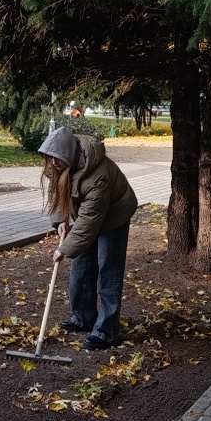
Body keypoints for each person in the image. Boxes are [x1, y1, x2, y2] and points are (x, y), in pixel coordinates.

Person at [38, 127, 138, 350]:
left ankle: (106, 331)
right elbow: (58, 192)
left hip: (114, 215)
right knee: (82, 265)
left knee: (108, 268)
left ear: (68, 153)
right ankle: (84, 317)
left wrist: (65, 249)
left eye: (57, 158)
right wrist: (61, 219)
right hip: (91, 214)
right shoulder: (60, 165)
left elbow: (90, 220)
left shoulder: (97, 176)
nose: (53, 163)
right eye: (50, 158)